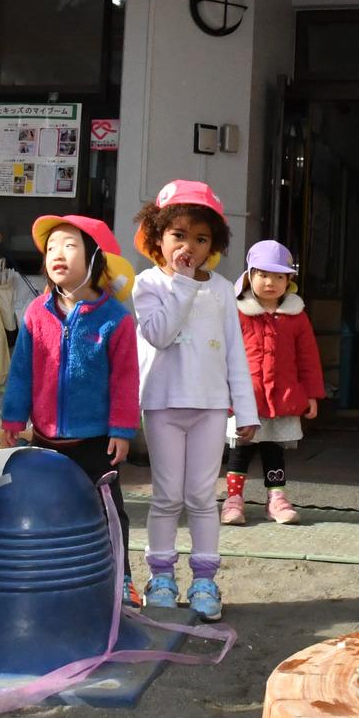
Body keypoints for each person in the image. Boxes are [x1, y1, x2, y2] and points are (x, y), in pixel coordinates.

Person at [132, 180, 258, 620]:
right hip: (163, 404)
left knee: (203, 498)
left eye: (201, 238)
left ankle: (205, 580)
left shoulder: (224, 289)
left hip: (209, 407)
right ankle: (161, 576)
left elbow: (235, 352)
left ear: (214, 244)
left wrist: (246, 409)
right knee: (167, 497)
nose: (189, 245)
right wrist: (183, 283)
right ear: (158, 237)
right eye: (178, 235)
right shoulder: (147, 284)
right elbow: (159, 334)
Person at [1, 213, 142, 602]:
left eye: (69, 245)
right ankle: (53, 579)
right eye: (50, 248)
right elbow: (22, 370)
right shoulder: (36, 313)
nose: (56, 254)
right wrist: (14, 415)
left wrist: (122, 429)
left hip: (97, 440)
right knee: (47, 509)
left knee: (108, 511)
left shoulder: (116, 319)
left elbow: (126, 379)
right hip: (45, 438)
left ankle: (121, 578)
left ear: (95, 258)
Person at [222, 240, 324, 526]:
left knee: (273, 449)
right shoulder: (237, 312)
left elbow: (308, 358)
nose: (271, 282)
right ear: (249, 275)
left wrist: (312, 394)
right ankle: (233, 500)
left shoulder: (296, 317)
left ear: (289, 281)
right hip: (245, 396)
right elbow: (223, 355)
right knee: (240, 449)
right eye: (263, 275)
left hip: (283, 396)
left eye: (279, 276)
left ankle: (276, 499)